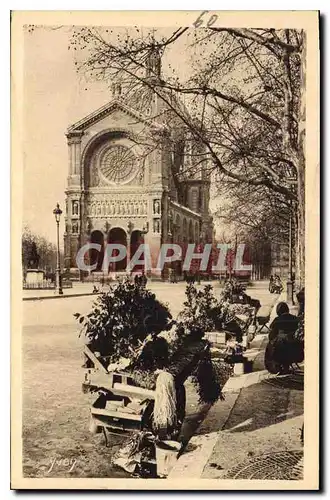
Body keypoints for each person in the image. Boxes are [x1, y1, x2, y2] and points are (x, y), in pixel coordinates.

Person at [265, 302, 299, 374]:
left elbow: (271, 336)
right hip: (296, 351)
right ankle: (285, 366)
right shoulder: (296, 319)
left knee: (272, 344)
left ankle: (277, 366)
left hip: (280, 352)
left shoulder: (277, 320)